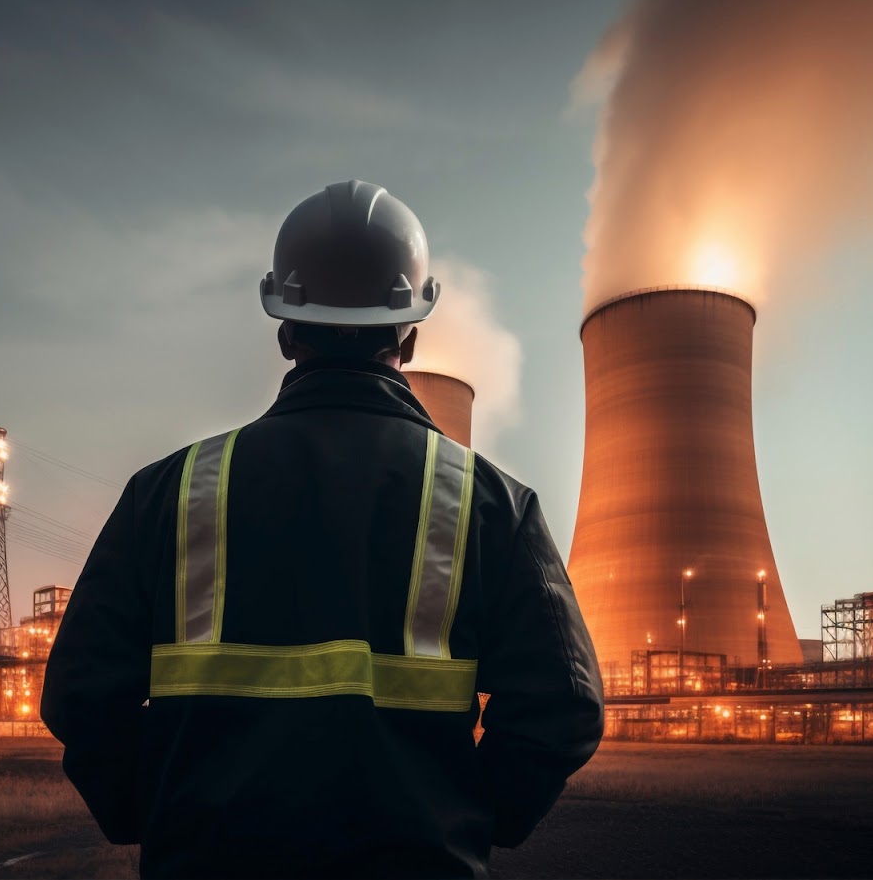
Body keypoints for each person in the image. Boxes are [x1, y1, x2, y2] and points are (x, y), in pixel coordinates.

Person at [41, 180, 604, 878]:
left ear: (285, 329)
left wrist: (150, 810)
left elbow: (80, 694)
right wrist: (473, 815)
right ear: (412, 333)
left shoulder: (172, 491)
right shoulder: (490, 503)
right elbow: (568, 704)